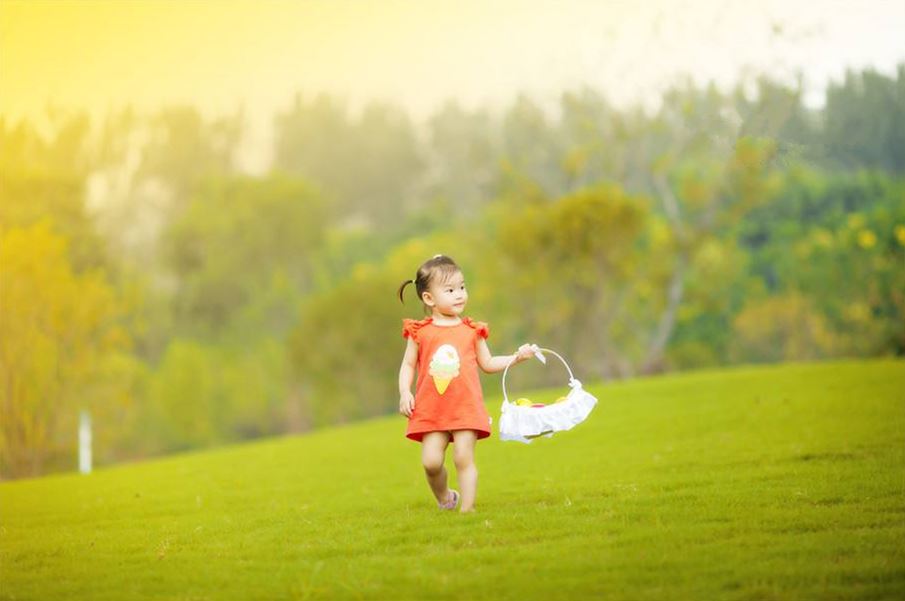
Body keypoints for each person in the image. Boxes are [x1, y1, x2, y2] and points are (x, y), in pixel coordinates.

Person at [397, 254, 538, 513]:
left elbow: (488, 363)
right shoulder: (420, 332)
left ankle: (468, 508)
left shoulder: (472, 330)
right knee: (430, 462)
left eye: (462, 287)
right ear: (429, 299)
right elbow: (408, 365)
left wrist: (517, 358)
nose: (459, 294)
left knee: (464, 457)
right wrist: (405, 392)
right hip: (432, 409)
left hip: (465, 407)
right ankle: (445, 498)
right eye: (450, 290)